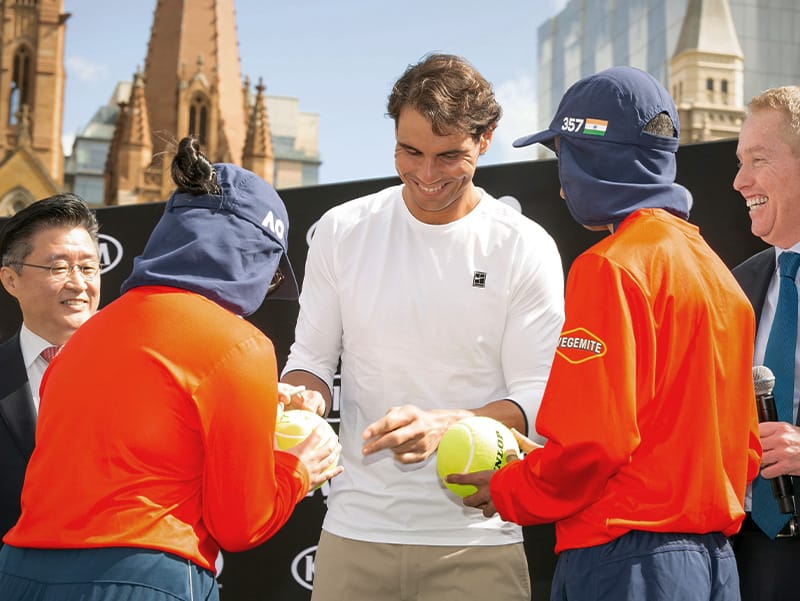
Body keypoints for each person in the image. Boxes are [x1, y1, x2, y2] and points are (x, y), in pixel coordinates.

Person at [449, 66, 762, 601]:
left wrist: (512, 486)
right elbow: (743, 450)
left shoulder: (612, 267)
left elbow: (594, 444)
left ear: (592, 156)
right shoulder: (719, 276)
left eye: (563, 155)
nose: (561, 177)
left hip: (627, 562)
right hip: (715, 566)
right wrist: (544, 461)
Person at [0, 136, 342, 601]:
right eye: (272, 272)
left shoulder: (84, 339)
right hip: (141, 576)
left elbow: (149, 443)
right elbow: (242, 525)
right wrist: (299, 467)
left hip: (20, 571)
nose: (267, 289)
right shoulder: (241, 346)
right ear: (248, 255)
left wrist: (254, 407)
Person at [280, 53, 565, 601]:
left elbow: (537, 397)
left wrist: (447, 425)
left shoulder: (525, 245)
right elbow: (311, 360)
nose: (427, 175)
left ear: (486, 140)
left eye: (448, 155)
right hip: (353, 532)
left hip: (479, 543)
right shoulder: (342, 230)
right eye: (410, 151)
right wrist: (302, 396)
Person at [730, 85, 800, 601]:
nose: (739, 181)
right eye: (739, 161)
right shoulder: (737, 286)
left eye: (758, 159)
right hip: (748, 554)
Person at [0, 193, 101, 547]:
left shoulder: (142, 375)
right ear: (11, 280)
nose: (78, 284)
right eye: (59, 268)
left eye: (88, 267)